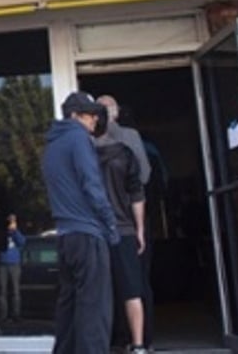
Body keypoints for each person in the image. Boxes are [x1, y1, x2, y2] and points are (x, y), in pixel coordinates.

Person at [41, 91, 119, 354]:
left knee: (69, 311)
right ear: (75, 115)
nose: (94, 120)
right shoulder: (78, 138)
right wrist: (110, 225)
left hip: (65, 237)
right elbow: (92, 186)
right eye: (89, 114)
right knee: (94, 312)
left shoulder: (52, 144)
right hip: (88, 234)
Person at [99, 94, 156, 350]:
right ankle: (139, 342)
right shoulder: (127, 140)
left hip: (119, 220)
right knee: (134, 283)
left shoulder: (122, 139)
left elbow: (142, 176)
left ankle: (127, 339)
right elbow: (142, 178)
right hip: (127, 219)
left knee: (119, 284)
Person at [0, 213, 26, 326]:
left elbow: (22, 242)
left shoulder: (15, 232)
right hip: (2, 264)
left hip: (14, 264)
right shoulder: (2, 232)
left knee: (15, 291)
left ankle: (16, 315)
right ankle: (3, 316)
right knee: (2, 291)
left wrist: (15, 230)